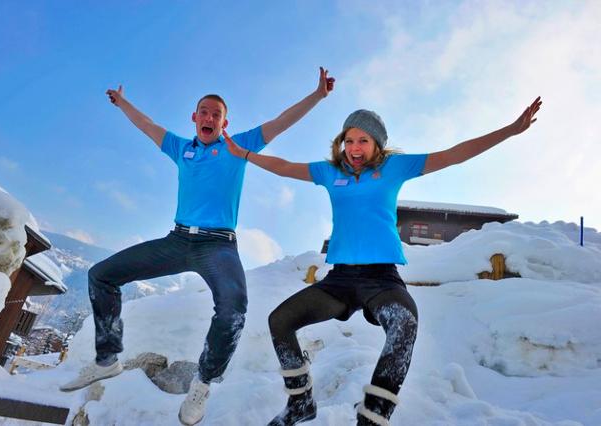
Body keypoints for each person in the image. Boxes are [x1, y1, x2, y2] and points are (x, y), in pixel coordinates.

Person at [223, 96, 542, 425]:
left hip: (381, 280)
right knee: (280, 320)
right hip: (339, 281)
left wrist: (509, 131)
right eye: (348, 140)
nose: (354, 147)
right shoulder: (330, 172)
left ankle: (373, 417)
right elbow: (284, 167)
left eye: (363, 140)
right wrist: (245, 154)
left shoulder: (393, 168)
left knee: (405, 322)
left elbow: (452, 155)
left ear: (378, 144)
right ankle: (300, 402)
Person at [60, 68, 335, 426]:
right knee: (101, 275)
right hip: (177, 240)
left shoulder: (239, 146)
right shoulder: (180, 147)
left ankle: (202, 384)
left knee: (234, 310)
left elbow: (281, 121)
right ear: (194, 118)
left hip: (217, 245)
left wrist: (317, 96)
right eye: (203, 112)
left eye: (216, 114)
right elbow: (146, 124)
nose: (209, 118)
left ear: (224, 123)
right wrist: (123, 102)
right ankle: (107, 359)